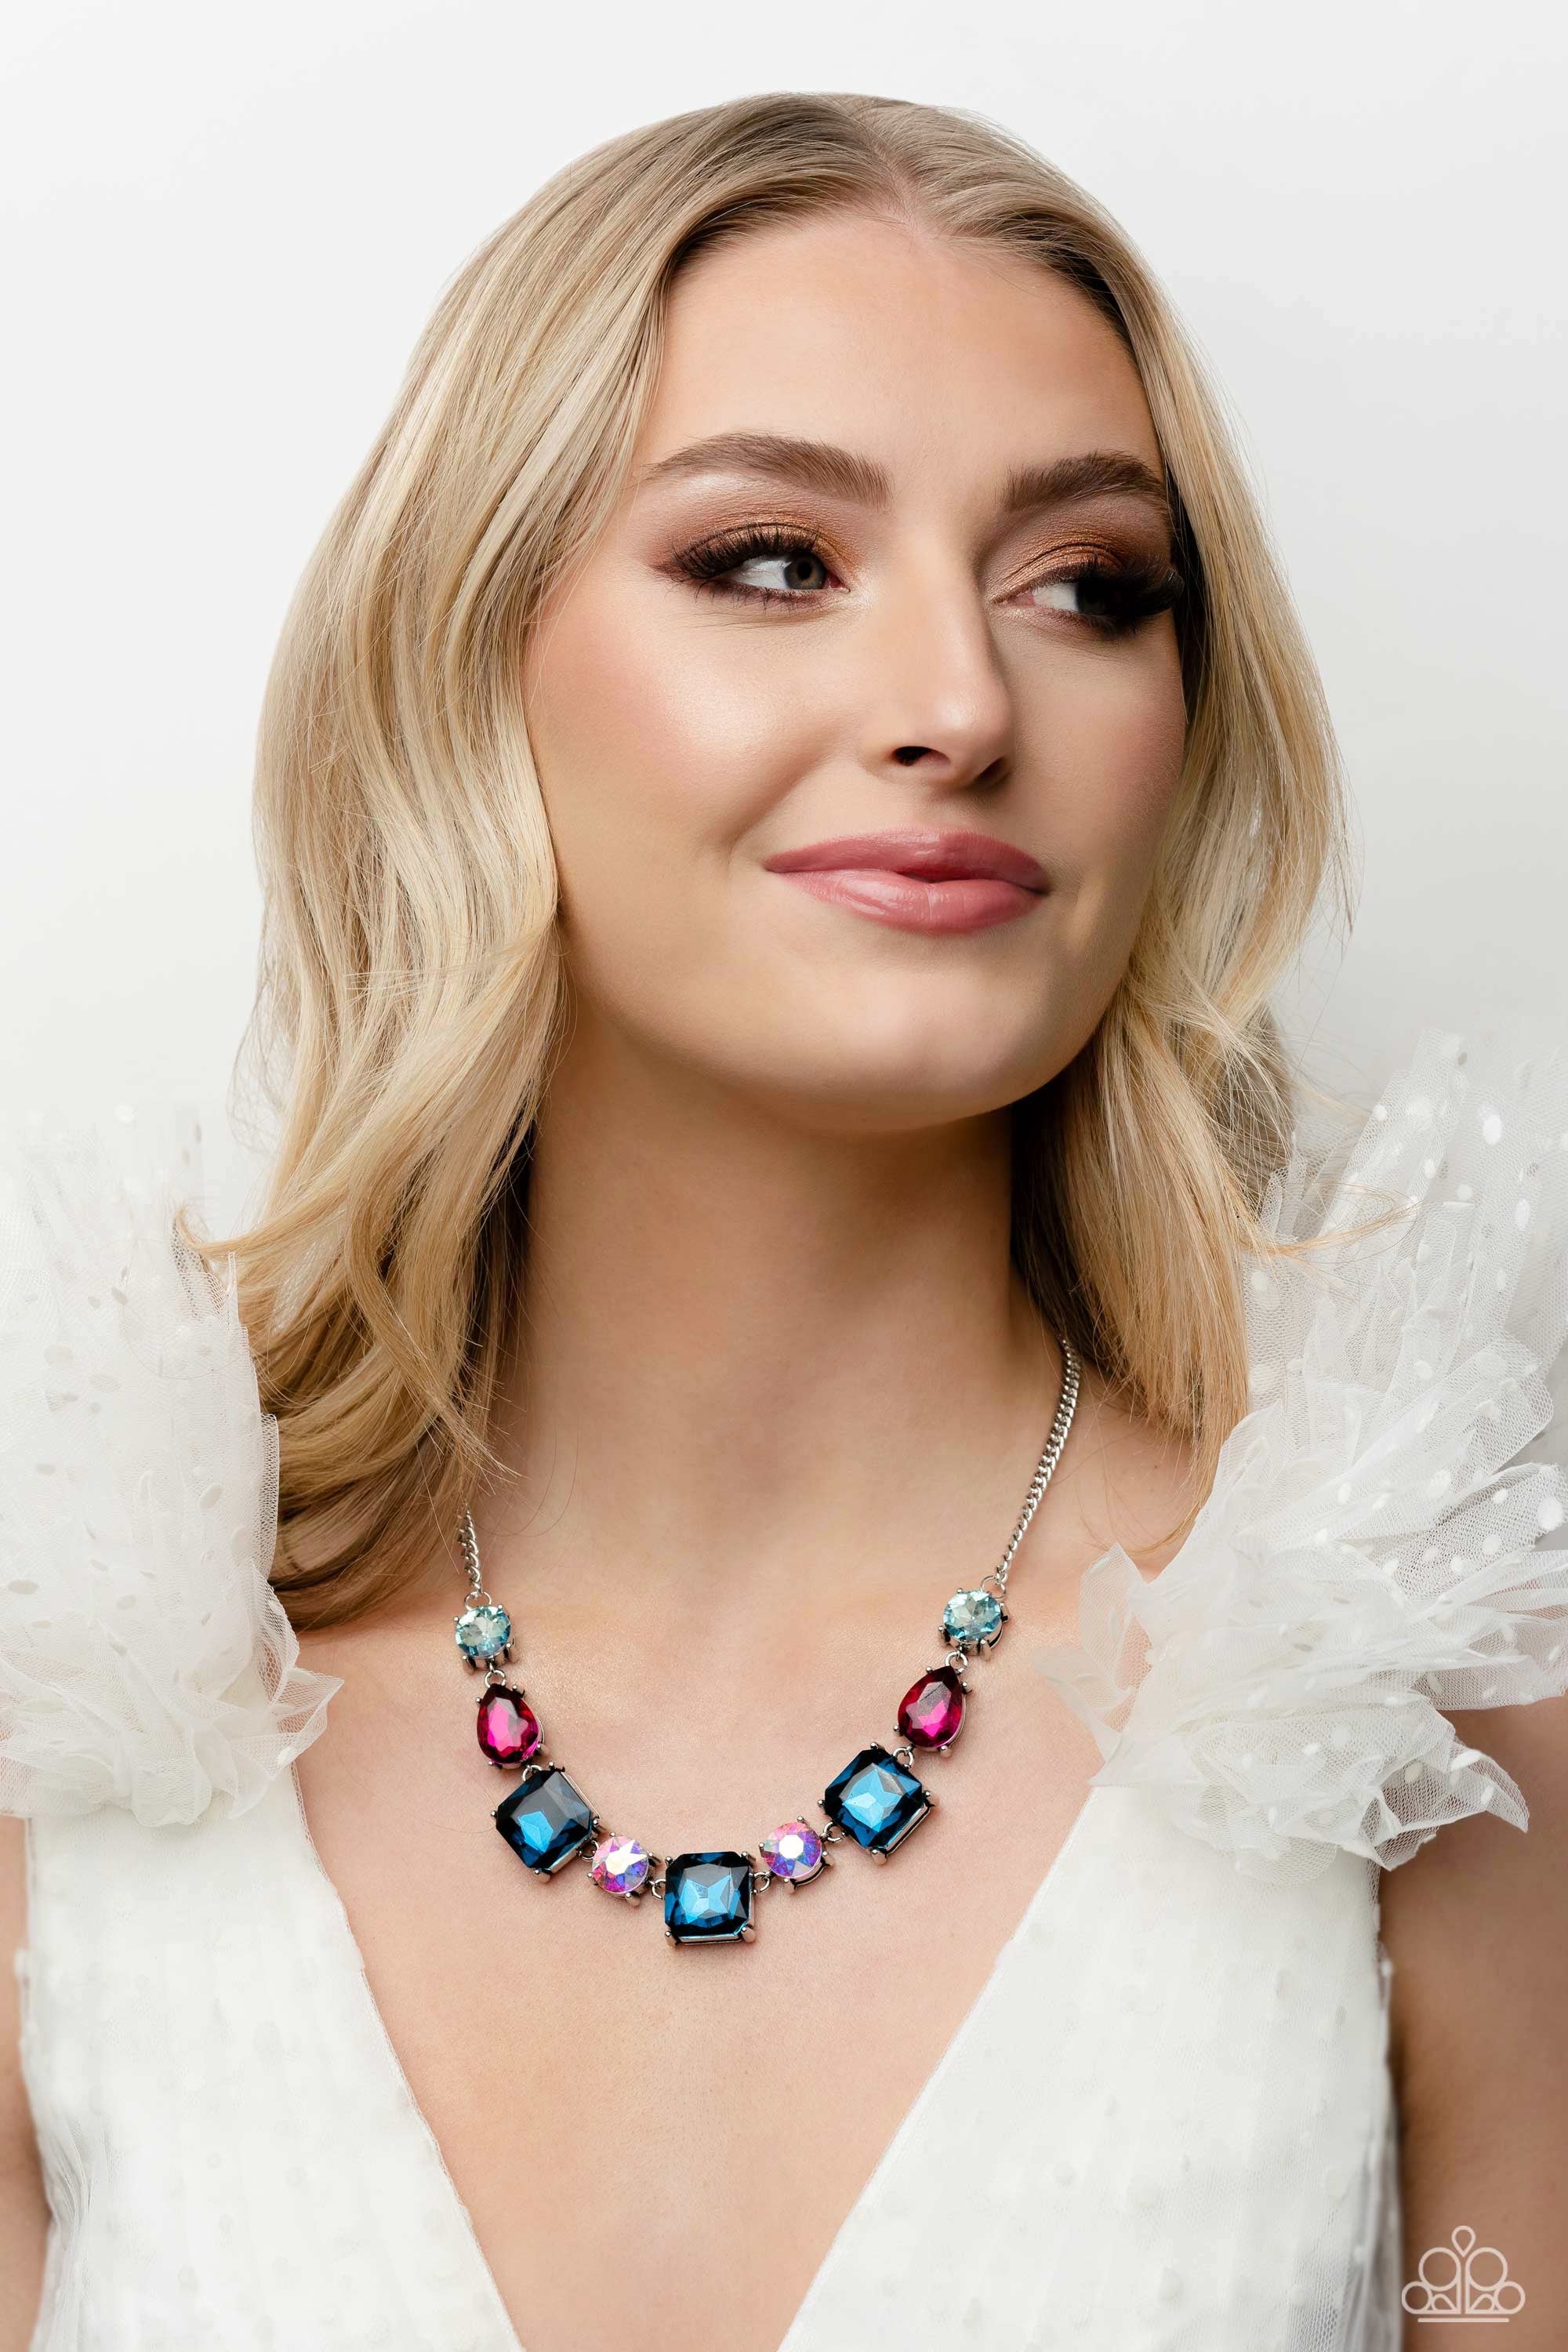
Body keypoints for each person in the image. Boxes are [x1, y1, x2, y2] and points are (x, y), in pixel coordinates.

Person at [2, 89, 1566, 2352]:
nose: (958, 704)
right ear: (468, 653)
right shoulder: (77, 1710)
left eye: (1089, 587)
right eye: (768, 561)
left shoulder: (1410, 1723)